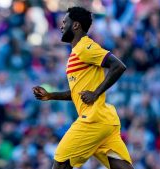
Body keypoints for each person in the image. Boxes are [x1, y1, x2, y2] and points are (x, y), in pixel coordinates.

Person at [32, 6, 134, 169]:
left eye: (65, 22)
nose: (61, 26)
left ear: (76, 25)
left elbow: (118, 66)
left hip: (93, 119)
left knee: (60, 164)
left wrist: (96, 93)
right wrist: (51, 95)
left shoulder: (85, 47)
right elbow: (76, 93)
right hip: (105, 120)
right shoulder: (77, 53)